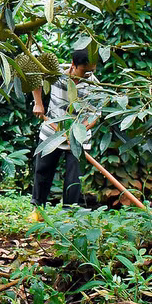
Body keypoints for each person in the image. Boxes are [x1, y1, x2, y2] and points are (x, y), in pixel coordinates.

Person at [29, 49, 99, 214]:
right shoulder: (56, 73)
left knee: (73, 178)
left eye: (92, 71)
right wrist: (38, 103)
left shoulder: (95, 85)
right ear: (73, 65)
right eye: (85, 71)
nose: (89, 74)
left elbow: (94, 116)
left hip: (78, 137)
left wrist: (77, 133)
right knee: (42, 171)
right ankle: (37, 210)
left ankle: (68, 214)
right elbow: (36, 79)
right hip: (52, 130)